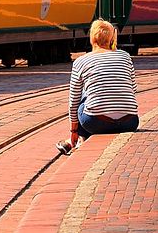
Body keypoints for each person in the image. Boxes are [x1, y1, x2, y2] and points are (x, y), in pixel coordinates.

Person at [56, 19, 139, 155]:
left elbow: (73, 101)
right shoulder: (125, 56)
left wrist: (73, 132)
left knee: (83, 94)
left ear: (91, 38)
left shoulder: (81, 61)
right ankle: (81, 139)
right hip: (129, 122)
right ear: (112, 38)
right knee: (91, 91)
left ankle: (76, 140)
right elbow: (133, 89)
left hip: (95, 123)